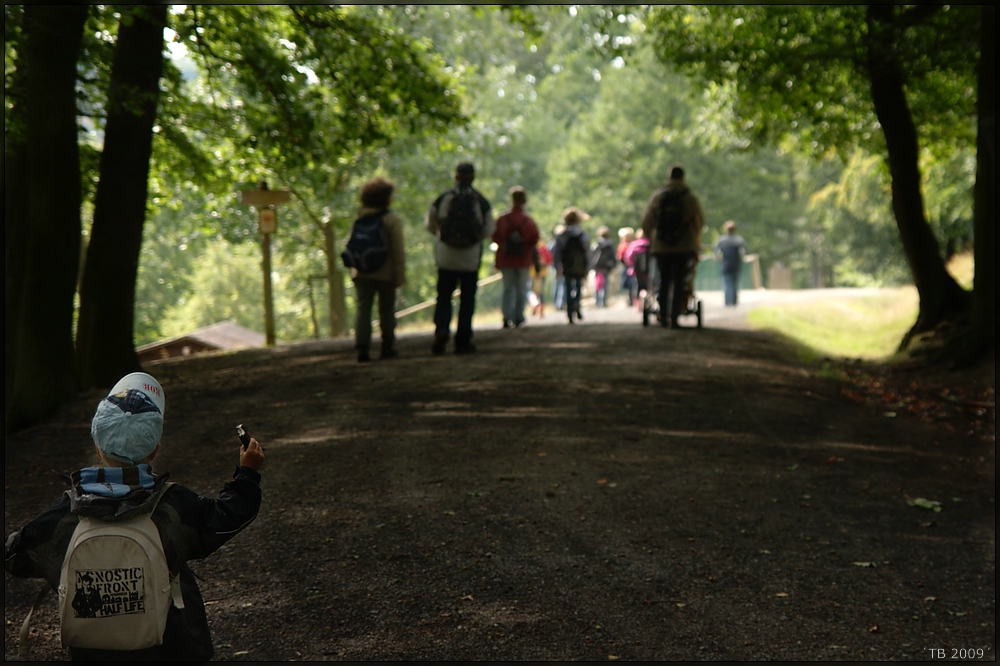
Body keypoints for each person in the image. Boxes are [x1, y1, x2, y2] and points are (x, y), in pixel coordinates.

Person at [4, 372, 265, 660]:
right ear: (155, 450)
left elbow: (15, 555)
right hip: (172, 647)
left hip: (94, 650)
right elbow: (229, 515)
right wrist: (247, 474)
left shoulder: (67, 513)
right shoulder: (172, 504)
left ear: (97, 446)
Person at [426, 161, 495, 355]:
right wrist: (473, 239)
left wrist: (443, 237)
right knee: (467, 300)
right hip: (470, 259)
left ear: (456, 176)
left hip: (446, 256)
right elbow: (489, 229)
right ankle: (463, 340)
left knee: (444, 297)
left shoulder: (444, 198)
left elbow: (430, 224)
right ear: (473, 177)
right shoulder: (480, 201)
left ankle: (441, 332)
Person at [349, 177, 406, 362]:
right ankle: (387, 345)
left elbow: (352, 245)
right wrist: (399, 276)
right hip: (385, 273)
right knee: (386, 310)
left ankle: (362, 348)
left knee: (363, 308)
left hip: (362, 272)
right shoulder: (391, 219)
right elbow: (398, 251)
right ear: (386, 198)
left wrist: (354, 270)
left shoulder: (359, 217)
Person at [641, 164, 705, 328]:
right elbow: (700, 222)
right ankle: (675, 315)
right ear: (683, 177)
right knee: (679, 281)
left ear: (669, 176)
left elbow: (646, 222)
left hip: (661, 247)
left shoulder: (659, 196)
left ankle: (663, 315)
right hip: (684, 247)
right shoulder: (689, 198)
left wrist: (654, 237)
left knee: (663, 279)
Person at [492, 186, 540, 329]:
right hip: (523, 259)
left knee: (508, 289)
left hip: (506, 259)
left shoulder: (503, 219)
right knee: (521, 289)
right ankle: (519, 316)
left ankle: (507, 317)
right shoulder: (528, 221)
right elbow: (534, 239)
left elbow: (495, 237)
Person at [552, 207, 591, 324]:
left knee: (567, 288)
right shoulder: (583, 235)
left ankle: (569, 312)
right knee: (578, 287)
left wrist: (557, 267)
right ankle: (577, 305)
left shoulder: (562, 235)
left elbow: (556, 253)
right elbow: (588, 252)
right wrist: (588, 267)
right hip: (580, 266)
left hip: (567, 266)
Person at [714, 220, 748, 307]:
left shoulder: (722, 240)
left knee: (727, 283)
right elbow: (745, 251)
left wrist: (719, 257)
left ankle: (728, 301)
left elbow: (716, 251)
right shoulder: (739, 240)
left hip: (725, 264)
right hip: (736, 264)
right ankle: (734, 301)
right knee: (734, 283)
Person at [591, 225, 617, 308]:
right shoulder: (610, 244)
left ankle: (597, 300)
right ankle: (603, 301)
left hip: (597, 266)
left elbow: (592, 255)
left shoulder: (596, 244)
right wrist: (613, 265)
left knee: (597, 283)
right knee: (605, 284)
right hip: (606, 266)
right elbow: (613, 256)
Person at [529, 237, 553, 318]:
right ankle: (541, 312)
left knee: (532, 291)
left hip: (533, 273)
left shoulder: (531, 248)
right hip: (543, 273)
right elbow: (549, 260)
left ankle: (534, 303)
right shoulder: (544, 249)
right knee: (540, 292)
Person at [617, 227, 636, 306]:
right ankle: (629, 298)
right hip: (625, 266)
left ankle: (632, 298)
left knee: (631, 283)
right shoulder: (623, 245)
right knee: (627, 284)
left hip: (631, 266)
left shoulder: (632, 245)